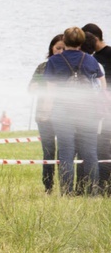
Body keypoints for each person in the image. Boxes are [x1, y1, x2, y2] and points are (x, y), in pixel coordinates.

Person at [43, 26, 104, 196]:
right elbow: (102, 87)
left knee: (66, 153)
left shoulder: (54, 62)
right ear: (81, 42)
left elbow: (50, 92)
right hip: (88, 112)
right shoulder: (91, 61)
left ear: (66, 41)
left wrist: (47, 112)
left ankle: (67, 192)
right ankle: (92, 192)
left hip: (63, 112)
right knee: (90, 153)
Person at [28, 34, 65, 193]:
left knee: (65, 150)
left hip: (64, 115)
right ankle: (48, 185)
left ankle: (66, 184)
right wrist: (36, 87)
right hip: (43, 115)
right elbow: (30, 88)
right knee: (48, 150)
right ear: (51, 48)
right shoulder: (42, 67)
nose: (60, 51)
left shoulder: (69, 67)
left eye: (64, 48)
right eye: (58, 48)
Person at [81, 23, 111, 193]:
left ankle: (106, 185)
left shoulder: (107, 54)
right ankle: (95, 184)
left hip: (105, 108)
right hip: (96, 108)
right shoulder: (91, 57)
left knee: (104, 148)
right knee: (95, 147)